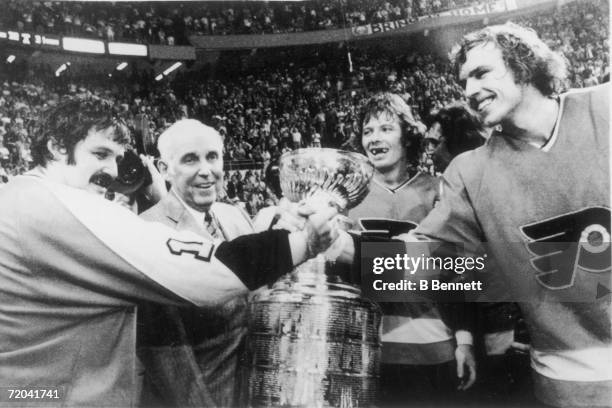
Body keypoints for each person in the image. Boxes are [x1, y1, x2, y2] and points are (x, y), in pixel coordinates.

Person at [0, 96, 338, 407]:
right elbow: (207, 277)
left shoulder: (17, 198)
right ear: (57, 147)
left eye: (117, 159)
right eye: (100, 155)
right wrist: (305, 241)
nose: (115, 172)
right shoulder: (54, 207)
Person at [410, 23, 610, 407]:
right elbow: (420, 266)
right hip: (568, 385)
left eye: (482, 73)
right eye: (464, 81)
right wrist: (330, 243)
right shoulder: (470, 173)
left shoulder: (605, 107)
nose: (469, 91)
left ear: (523, 64)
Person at [348, 92, 476, 406]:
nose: (374, 138)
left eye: (385, 128)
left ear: (407, 135)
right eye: (367, 131)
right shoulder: (348, 196)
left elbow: (456, 273)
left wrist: (464, 340)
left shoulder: (437, 189)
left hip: (433, 347)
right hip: (364, 350)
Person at [137, 119, 253, 407]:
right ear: (164, 169)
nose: (206, 170)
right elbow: (168, 357)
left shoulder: (235, 216)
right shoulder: (146, 231)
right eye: (190, 159)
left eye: (212, 157)